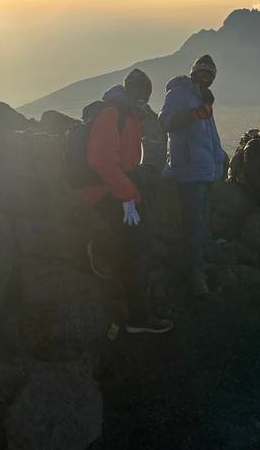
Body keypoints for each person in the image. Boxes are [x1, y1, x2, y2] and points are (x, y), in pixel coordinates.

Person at [84, 68, 173, 334]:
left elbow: (126, 159)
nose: (143, 100)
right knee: (135, 249)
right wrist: (128, 197)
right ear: (130, 92)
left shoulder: (129, 114)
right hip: (107, 192)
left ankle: (104, 251)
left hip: (118, 189)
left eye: (145, 95)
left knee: (136, 243)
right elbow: (102, 161)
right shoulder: (114, 114)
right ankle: (138, 317)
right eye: (140, 94)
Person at [159, 55, 225, 298]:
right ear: (194, 72)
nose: (206, 77)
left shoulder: (203, 98)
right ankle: (194, 276)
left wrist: (219, 161)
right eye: (202, 72)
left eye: (210, 74)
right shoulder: (178, 93)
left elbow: (211, 135)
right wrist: (193, 115)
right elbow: (164, 122)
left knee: (200, 223)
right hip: (188, 171)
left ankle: (197, 267)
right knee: (193, 226)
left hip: (204, 171)